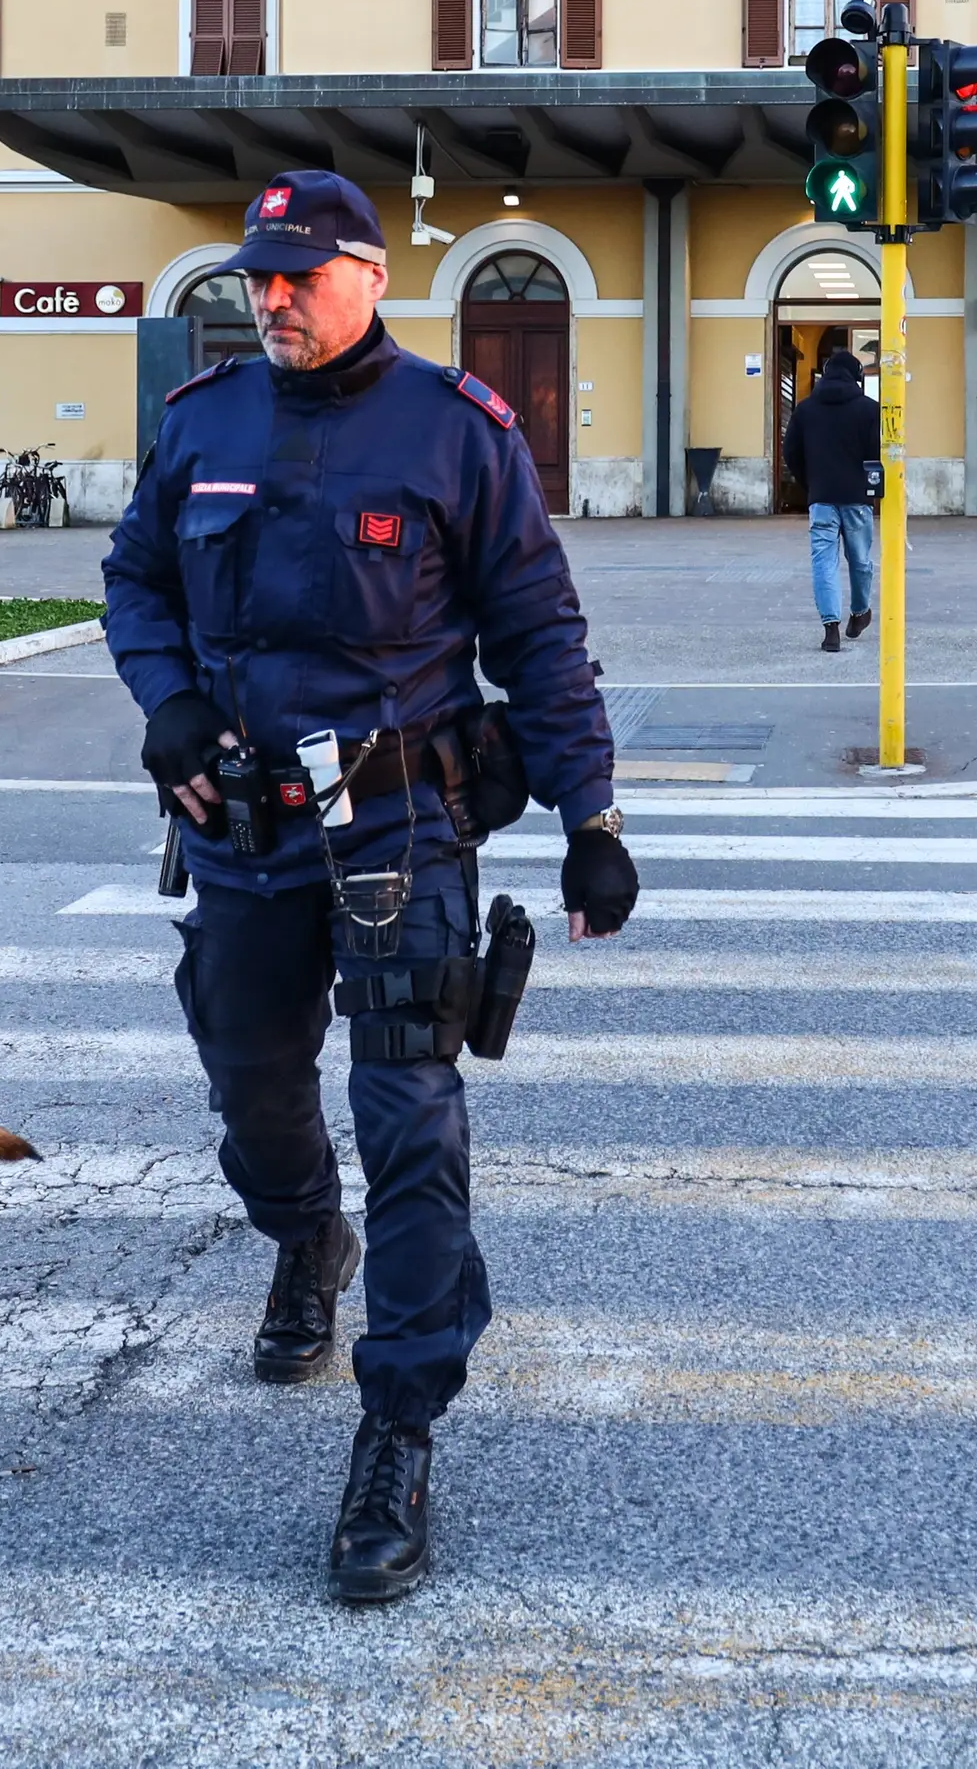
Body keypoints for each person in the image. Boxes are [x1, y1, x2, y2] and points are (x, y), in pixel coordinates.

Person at [104, 169, 638, 1605]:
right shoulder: (201, 422)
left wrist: (593, 811)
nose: (269, 298)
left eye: (297, 276)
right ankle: (301, 1238)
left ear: (365, 275)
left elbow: (541, 626)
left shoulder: (455, 432)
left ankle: (397, 1429)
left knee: (411, 1118)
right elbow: (135, 579)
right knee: (253, 1085)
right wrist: (162, 708)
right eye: (255, 277)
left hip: (400, 830)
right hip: (243, 832)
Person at [784, 340, 881, 652]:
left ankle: (831, 629)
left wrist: (810, 483)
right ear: (856, 377)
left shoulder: (805, 409)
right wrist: (871, 488)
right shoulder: (868, 409)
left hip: (822, 498)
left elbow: (791, 452)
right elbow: (875, 454)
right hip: (856, 499)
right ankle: (860, 612)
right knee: (860, 560)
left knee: (823, 562)